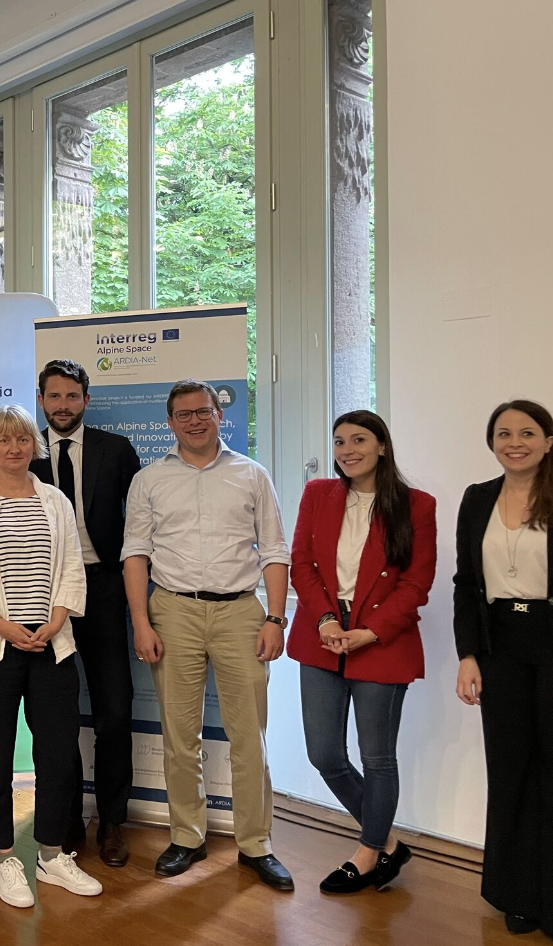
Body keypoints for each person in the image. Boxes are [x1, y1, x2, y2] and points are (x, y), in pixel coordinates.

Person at [122, 379, 294, 891]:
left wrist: (275, 618)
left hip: (242, 613)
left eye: (204, 411)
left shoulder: (252, 474)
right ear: (170, 422)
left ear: (221, 415)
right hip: (171, 611)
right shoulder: (150, 480)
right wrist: (141, 622)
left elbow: (275, 550)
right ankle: (187, 836)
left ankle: (256, 844)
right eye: (184, 414)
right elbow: (136, 554)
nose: (195, 421)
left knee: (249, 736)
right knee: (180, 736)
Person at [0, 404, 102, 909]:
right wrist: (3, 624)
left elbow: (72, 568)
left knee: (58, 752)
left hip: (51, 645)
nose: (14, 448)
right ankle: (5, 857)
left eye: (22, 440)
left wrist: (56, 621)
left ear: (33, 446)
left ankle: (52, 854)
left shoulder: (55, 500)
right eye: (3, 440)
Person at [289, 410, 436, 893]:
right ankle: (389, 842)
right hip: (323, 633)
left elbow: (416, 584)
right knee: (325, 753)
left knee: (377, 758)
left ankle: (369, 853)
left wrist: (369, 632)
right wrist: (327, 619)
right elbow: (302, 565)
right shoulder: (318, 496)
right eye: (338, 442)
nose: (347, 449)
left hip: (381, 639)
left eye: (358, 440)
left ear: (382, 447)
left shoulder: (416, 505)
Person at [29, 359, 140, 865]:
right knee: (56, 715)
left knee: (114, 710)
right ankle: (66, 815)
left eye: (72, 396)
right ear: (42, 400)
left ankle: (112, 821)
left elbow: (139, 529)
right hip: (43, 596)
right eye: (54, 396)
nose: (63, 405)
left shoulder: (116, 451)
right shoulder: (22, 456)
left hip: (104, 590)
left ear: (86, 401)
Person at [454, 399, 553, 937]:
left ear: (548, 441)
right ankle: (516, 894)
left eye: (528, 432)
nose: (515, 442)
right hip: (500, 643)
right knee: (511, 767)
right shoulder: (477, 499)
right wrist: (467, 654)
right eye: (504, 433)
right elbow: (466, 583)